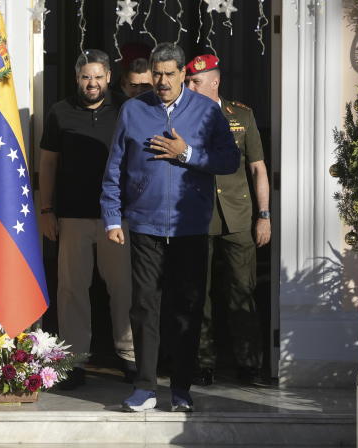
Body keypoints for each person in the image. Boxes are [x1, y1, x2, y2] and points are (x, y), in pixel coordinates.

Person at [101, 42, 240, 413]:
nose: (161, 82)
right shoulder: (133, 110)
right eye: (156, 75)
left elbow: (229, 160)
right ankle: (145, 388)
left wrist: (188, 154)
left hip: (190, 226)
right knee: (145, 307)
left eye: (168, 74)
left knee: (186, 309)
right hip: (145, 224)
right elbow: (116, 167)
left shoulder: (207, 111)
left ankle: (181, 389)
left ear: (183, 75)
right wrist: (113, 216)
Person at [38, 49, 135, 389]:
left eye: (97, 76)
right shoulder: (60, 112)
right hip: (73, 215)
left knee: (123, 287)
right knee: (72, 290)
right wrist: (46, 210)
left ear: (108, 77)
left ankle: (130, 357)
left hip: (117, 217)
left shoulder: (127, 109)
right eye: (85, 77)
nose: (92, 83)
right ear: (77, 79)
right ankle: (73, 360)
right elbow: (48, 164)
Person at [185, 54, 270, 386]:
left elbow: (257, 168)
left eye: (195, 82)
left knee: (241, 290)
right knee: (197, 293)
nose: (189, 86)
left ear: (214, 82)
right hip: (195, 215)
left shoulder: (241, 115)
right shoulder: (181, 115)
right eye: (188, 81)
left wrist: (264, 216)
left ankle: (249, 363)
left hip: (237, 215)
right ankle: (202, 361)